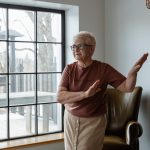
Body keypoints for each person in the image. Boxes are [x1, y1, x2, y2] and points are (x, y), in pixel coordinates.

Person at [56, 31, 148, 150]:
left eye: (80, 46)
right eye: (73, 46)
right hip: (70, 118)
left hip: (93, 122)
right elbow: (60, 97)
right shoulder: (69, 69)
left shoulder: (104, 69)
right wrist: (85, 94)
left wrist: (132, 74)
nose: (75, 49)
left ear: (91, 49)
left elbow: (127, 87)